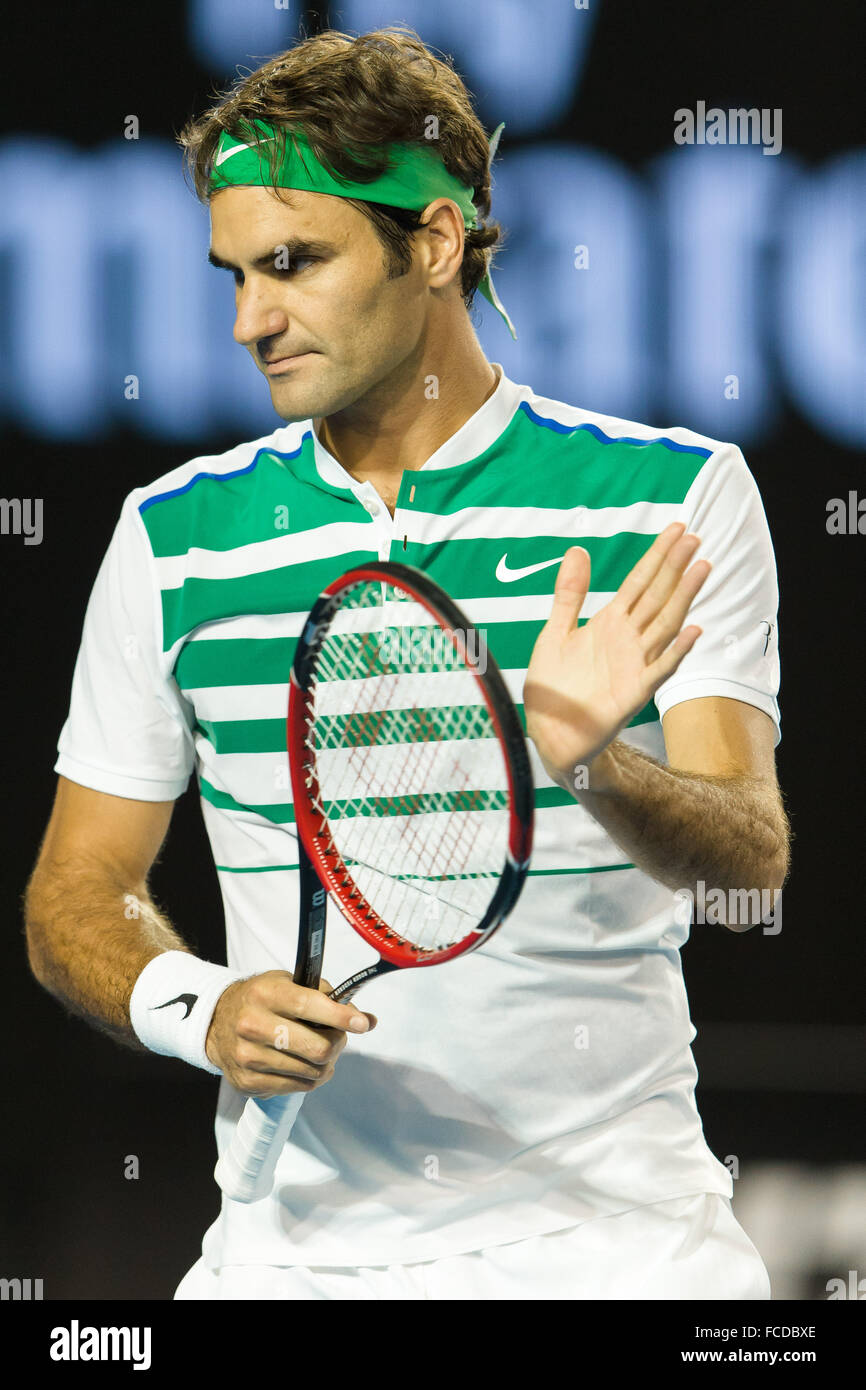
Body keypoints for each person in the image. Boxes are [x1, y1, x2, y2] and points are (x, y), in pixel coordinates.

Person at [25, 27, 789, 1301]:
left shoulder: (674, 498)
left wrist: (596, 765)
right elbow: (74, 893)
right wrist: (198, 1007)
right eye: (233, 276)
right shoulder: (171, 536)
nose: (248, 321)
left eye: (291, 265)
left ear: (431, 243)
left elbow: (749, 847)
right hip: (289, 1268)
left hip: (624, 1258)